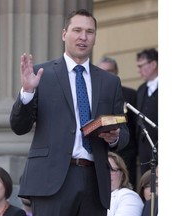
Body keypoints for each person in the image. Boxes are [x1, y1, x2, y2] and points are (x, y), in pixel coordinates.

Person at [10, 9, 130, 216]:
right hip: (52, 181)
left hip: (95, 182)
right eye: (77, 30)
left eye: (90, 32)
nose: (83, 37)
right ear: (64, 34)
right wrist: (27, 92)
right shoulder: (42, 74)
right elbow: (19, 127)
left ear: (94, 37)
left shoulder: (110, 82)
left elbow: (125, 132)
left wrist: (115, 136)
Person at [97, 56, 138, 189]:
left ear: (117, 71)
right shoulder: (93, 94)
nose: (106, 74)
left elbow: (136, 126)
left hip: (126, 153)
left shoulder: (131, 94)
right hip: (100, 152)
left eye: (110, 71)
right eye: (102, 71)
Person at [135, 48, 158, 175]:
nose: (139, 71)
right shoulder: (141, 89)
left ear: (153, 64)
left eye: (141, 66)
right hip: (144, 147)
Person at [107, 151, 143, 216]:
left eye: (112, 170)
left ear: (122, 175)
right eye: (103, 170)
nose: (107, 174)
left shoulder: (129, 197)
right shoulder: (90, 196)